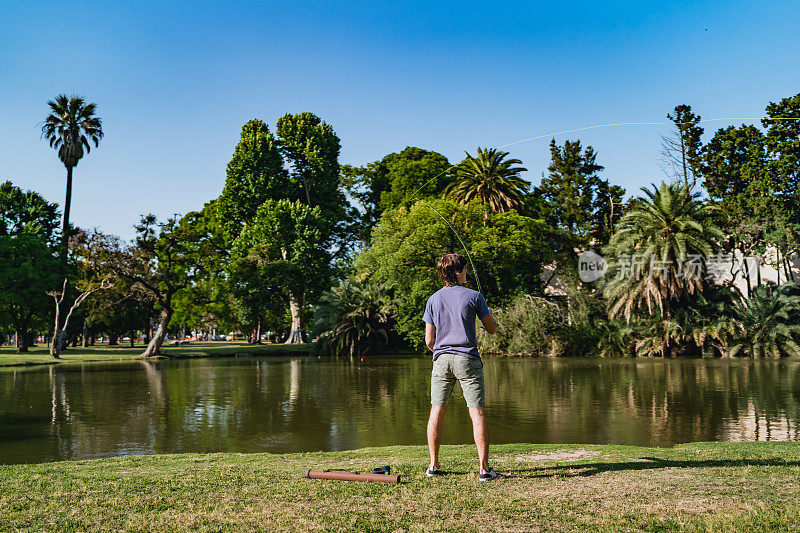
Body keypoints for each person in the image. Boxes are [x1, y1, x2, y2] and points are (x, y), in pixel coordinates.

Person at [422, 253, 499, 481]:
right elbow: (492, 329)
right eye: (464, 269)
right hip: (468, 359)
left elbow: (429, 341)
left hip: (441, 360)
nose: (466, 273)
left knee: (437, 411)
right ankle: (484, 470)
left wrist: (441, 351)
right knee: (477, 412)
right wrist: (491, 316)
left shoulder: (433, 300)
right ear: (457, 272)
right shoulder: (475, 296)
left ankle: (434, 466)